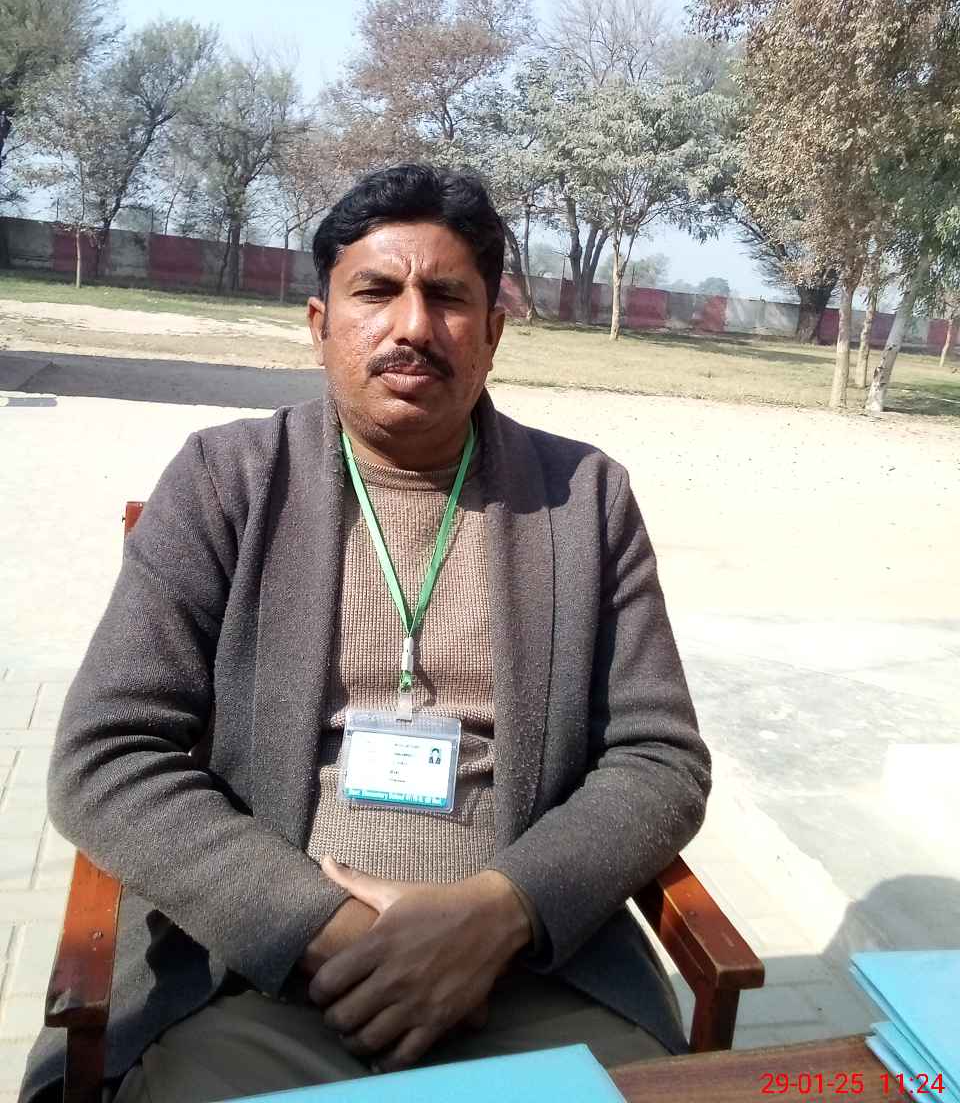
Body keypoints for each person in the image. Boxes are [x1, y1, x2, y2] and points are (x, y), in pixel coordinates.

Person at [21, 164, 711, 1103]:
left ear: (494, 333)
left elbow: (660, 758)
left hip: (532, 972)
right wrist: (326, 929)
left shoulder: (581, 499)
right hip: (256, 977)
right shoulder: (227, 480)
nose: (413, 326)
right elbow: (106, 755)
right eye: (376, 292)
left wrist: (498, 912)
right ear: (320, 324)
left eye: (449, 298)